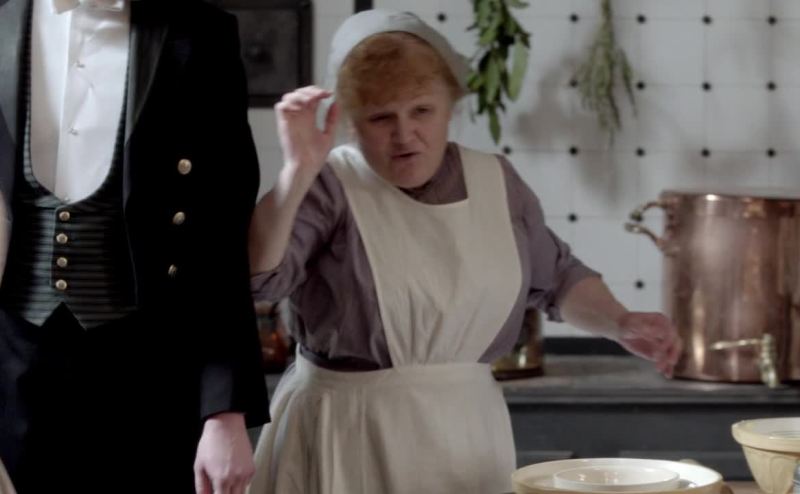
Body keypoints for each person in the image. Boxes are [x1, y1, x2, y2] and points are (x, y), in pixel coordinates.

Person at [247, 9, 682, 494]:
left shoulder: (496, 182)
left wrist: (620, 322)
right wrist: (295, 173)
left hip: (468, 433)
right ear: (350, 121)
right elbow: (259, 278)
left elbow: (558, 278)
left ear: (450, 105)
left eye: (422, 111)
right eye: (381, 117)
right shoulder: (330, 185)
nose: (404, 134)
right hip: (348, 433)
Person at [0, 0, 269, 492]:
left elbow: (220, 234)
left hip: (152, 381)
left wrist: (224, 409)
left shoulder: (201, 33)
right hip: (12, 380)